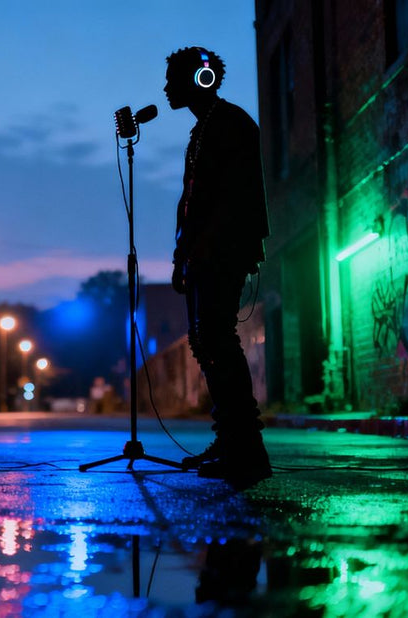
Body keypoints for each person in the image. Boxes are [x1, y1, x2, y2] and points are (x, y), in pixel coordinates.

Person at [163, 47, 272, 486]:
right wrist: (180, 256)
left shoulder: (230, 123)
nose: (166, 88)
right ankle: (230, 439)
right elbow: (191, 200)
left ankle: (246, 448)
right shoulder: (203, 130)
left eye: (173, 79)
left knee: (218, 340)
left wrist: (203, 249)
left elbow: (230, 199)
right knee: (206, 342)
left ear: (200, 80)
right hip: (203, 252)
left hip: (223, 250)